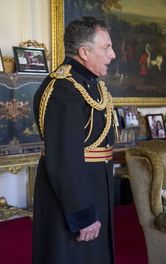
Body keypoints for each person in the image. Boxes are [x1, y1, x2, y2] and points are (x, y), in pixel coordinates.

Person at [32, 16, 116, 264]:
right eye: (106, 48)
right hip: (71, 198)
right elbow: (64, 159)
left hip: (94, 186)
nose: (113, 55)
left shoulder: (90, 84)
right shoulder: (62, 89)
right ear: (84, 52)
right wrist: (83, 215)